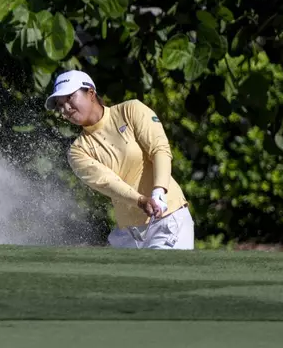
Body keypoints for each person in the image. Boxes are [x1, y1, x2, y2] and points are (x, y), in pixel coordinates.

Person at [45, 70, 195, 250]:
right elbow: (108, 182)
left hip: (168, 219)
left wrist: (158, 192)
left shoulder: (130, 110)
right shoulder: (78, 150)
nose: (65, 109)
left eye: (69, 97)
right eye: (60, 105)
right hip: (129, 235)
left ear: (91, 93)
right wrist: (141, 201)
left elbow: (159, 149)